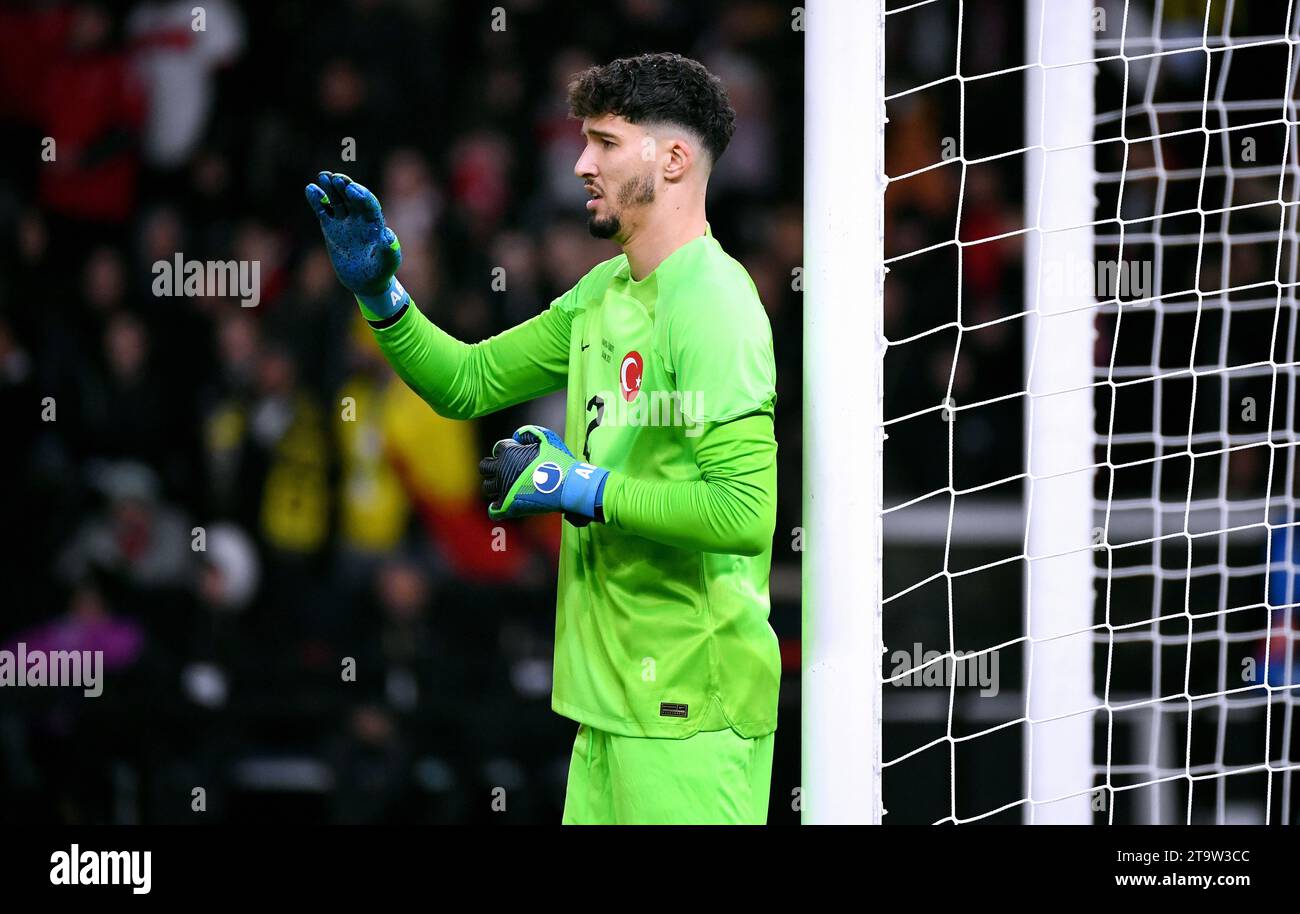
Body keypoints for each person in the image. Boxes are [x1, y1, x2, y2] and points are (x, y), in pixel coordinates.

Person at [306, 52, 780, 824]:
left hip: (690, 709)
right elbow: (465, 381)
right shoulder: (603, 291)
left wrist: (582, 489)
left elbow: (742, 513)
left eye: (604, 142)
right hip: (606, 708)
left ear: (673, 158)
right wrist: (380, 293)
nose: (580, 162)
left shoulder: (715, 307)